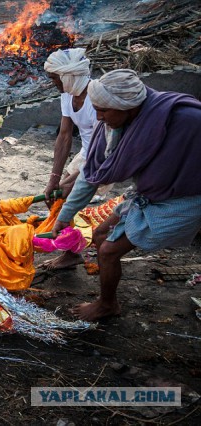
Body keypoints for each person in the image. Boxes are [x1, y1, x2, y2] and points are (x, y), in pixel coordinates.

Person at [51, 69, 201, 321]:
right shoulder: (115, 125)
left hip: (184, 199)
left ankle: (107, 305)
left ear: (127, 107)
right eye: (96, 108)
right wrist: (65, 216)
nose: (98, 117)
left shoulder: (188, 120)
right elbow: (92, 174)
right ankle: (107, 297)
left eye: (104, 111)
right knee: (100, 234)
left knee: (109, 250)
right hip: (150, 194)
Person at [41, 48, 101, 270]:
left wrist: (75, 179)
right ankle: (70, 250)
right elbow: (64, 135)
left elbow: (102, 149)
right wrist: (54, 178)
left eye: (55, 78)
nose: (53, 83)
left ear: (68, 76)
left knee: (67, 196)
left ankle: (70, 251)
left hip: (107, 155)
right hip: (88, 152)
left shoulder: (98, 98)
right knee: (56, 195)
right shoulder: (67, 94)